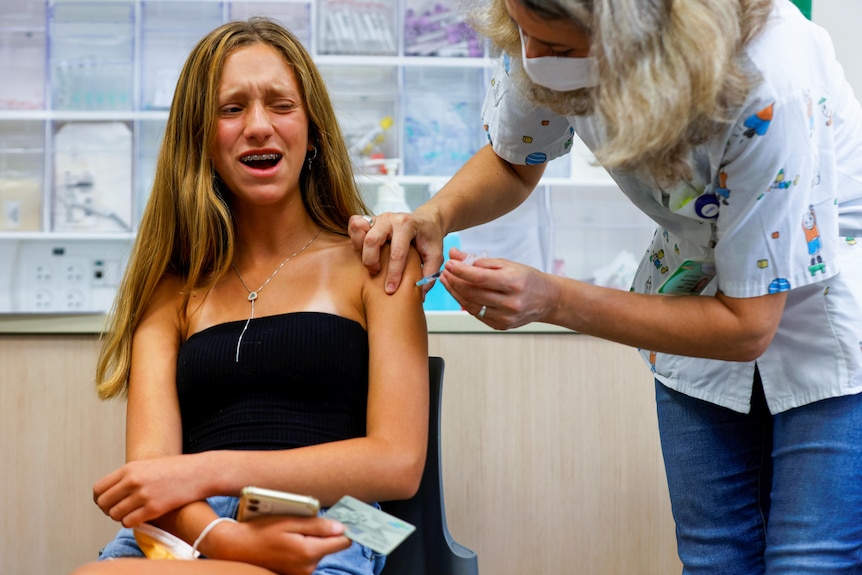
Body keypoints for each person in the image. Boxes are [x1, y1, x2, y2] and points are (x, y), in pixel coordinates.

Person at [349, 0, 862, 573]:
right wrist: (434, 217)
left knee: (810, 561)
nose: (536, 59)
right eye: (525, 35)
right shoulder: (541, 31)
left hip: (823, 312)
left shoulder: (768, 80)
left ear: (638, 33)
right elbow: (518, 160)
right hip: (694, 283)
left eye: (562, 49)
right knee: (714, 555)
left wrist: (553, 299)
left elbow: (746, 327)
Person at [71, 17, 428, 575]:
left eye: (280, 104)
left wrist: (207, 471)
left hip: (343, 519)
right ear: (200, 138)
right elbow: (152, 472)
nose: (258, 126)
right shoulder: (171, 290)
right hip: (188, 527)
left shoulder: (376, 265)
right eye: (231, 108)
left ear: (311, 128)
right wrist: (222, 534)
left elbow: (398, 463)